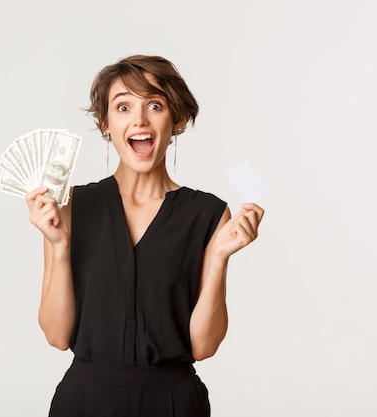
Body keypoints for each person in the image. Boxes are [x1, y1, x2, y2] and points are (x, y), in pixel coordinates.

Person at [26, 55, 264, 417]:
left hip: (173, 403)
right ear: (105, 124)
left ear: (177, 119)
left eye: (155, 105)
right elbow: (57, 337)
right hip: (84, 402)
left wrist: (219, 258)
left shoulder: (210, 214)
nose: (139, 119)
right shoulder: (69, 207)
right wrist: (59, 247)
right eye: (123, 107)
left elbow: (203, 346)